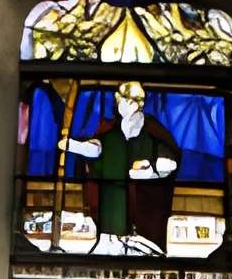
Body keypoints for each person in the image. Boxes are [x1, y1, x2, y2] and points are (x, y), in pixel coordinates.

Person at [64, 80, 180, 253]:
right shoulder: (109, 131)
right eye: (120, 101)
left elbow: (169, 160)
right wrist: (82, 148)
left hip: (145, 211)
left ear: (137, 103)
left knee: (144, 250)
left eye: (126, 101)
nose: (122, 105)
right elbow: (96, 152)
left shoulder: (153, 131)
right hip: (112, 216)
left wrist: (151, 170)